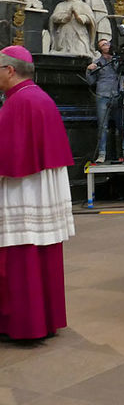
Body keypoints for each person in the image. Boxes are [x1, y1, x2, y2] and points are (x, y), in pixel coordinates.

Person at [0, 46, 74, 340]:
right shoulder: (37, 98)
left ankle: (25, 324)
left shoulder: (20, 102)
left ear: (9, 70)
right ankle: (44, 320)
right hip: (37, 192)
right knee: (40, 259)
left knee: (22, 260)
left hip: (23, 194)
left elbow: (8, 154)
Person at [86, 38, 124, 163]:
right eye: (103, 45)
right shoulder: (98, 63)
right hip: (103, 95)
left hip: (118, 95)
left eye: (107, 43)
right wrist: (89, 70)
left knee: (122, 125)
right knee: (102, 126)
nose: (106, 46)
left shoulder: (118, 60)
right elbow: (91, 81)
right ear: (100, 49)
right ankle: (102, 154)